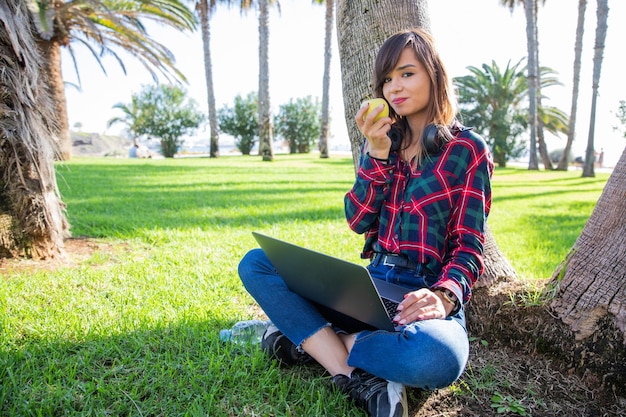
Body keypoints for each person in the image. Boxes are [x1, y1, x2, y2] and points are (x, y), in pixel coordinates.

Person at [238, 27, 494, 417]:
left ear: (434, 75)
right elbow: (358, 219)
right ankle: (349, 371)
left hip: (421, 298)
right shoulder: (379, 139)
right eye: (387, 79)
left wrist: (443, 296)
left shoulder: (467, 149)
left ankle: (313, 340)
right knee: (256, 263)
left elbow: (469, 244)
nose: (395, 87)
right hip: (370, 286)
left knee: (439, 358)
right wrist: (376, 154)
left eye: (407, 73)